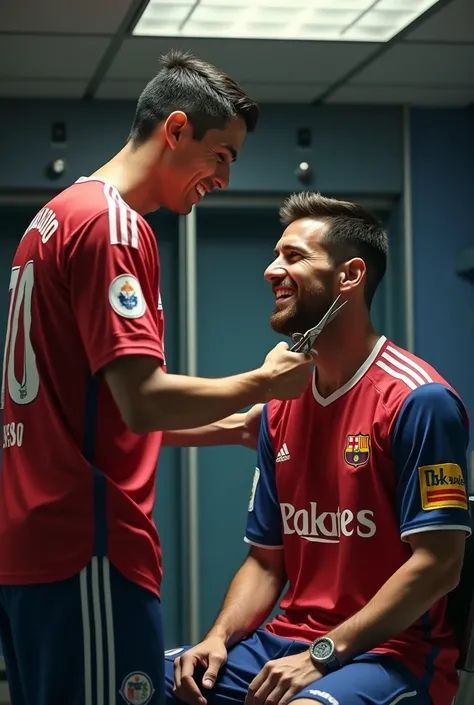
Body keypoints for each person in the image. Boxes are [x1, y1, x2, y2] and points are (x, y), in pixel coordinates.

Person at [0, 52, 315, 705]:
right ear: (175, 130)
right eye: (221, 154)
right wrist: (261, 382)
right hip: (83, 549)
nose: (225, 177)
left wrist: (226, 428)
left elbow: (93, 410)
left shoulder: (57, 215)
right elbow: (141, 402)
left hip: (33, 547)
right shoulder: (114, 225)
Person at [165, 192, 472, 705]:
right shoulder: (282, 401)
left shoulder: (420, 401)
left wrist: (321, 656)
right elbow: (266, 562)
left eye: (293, 256)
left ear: (349, 276)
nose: (271, 270)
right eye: (275, 254)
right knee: (144, 680)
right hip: (285, 641)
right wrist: (218, 637)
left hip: (392, 654)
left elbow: (441, 564)